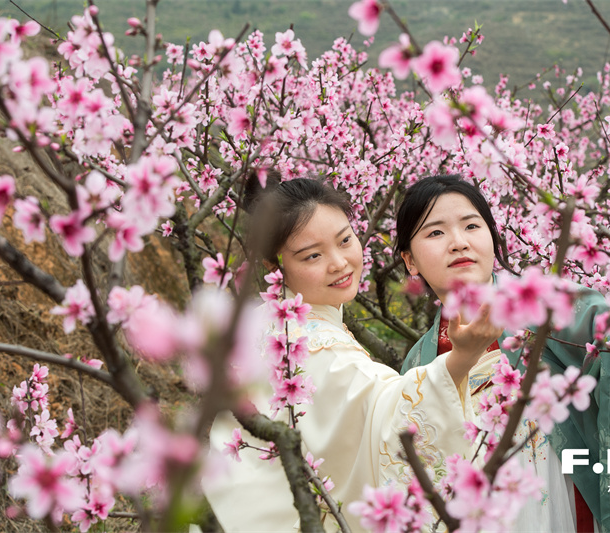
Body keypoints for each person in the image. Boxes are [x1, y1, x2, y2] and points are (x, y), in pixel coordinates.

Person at [394, 174, 610, 533]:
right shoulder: (418, 361)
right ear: (410, 261)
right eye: (435, 232)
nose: (458, 242)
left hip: (564, 503)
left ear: (492, 237)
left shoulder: (546, 304)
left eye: (471, 225)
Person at [203, 177, 501, 532]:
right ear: (274, 265)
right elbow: (389, 410)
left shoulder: (266, 322)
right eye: (312, 255)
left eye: (345, 240)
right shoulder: (307, 342)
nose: (339, 263)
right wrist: (460, 360)